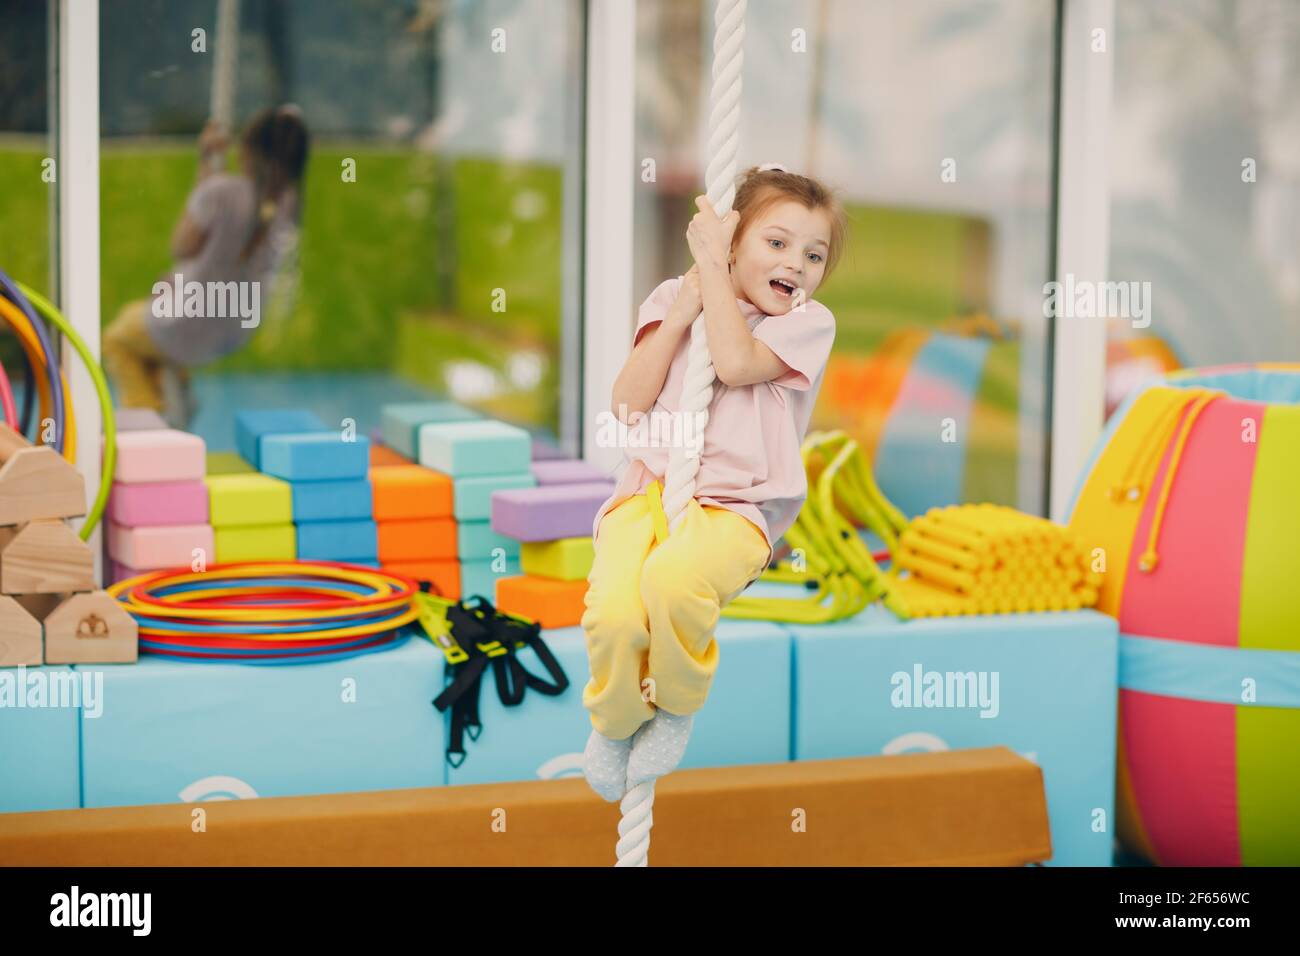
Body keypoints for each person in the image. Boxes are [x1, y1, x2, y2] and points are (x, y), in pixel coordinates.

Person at [581, 164, 848, 800]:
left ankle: (675, 704)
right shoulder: (676, 296)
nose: (797, 265)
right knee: (615, 614)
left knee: (673, 582)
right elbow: (627, 404)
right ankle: (615, 723)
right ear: (733, 242)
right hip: (647, 489)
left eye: (814, 254)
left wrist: (712, 274)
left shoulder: (807, 324)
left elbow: (733, 361)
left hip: (736, 509)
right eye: (777, 243)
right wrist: (678, 316)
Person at [102, 105, 309, 426]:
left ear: (248, 149)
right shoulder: (288, 204)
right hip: (235, 329)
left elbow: (181, 246)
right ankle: (176, 387)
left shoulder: (222, 191)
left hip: (185, 321)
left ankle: (149, 419)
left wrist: (208, 158)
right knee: (150, 324)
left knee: (116, 339)